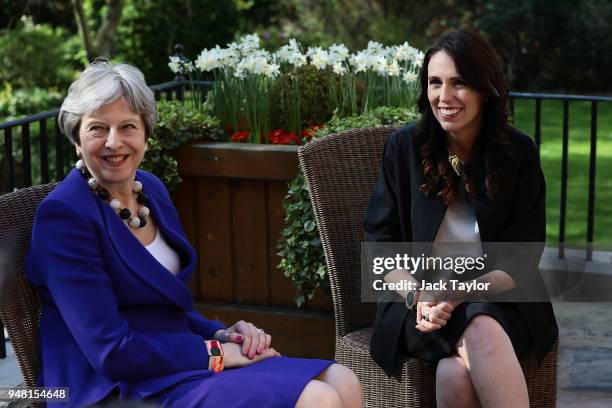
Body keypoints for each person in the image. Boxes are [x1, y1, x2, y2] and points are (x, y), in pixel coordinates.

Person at [26, 59, 362, 408]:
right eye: (97, 129)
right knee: (317, 398)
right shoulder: (64, 216)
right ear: (77, 140)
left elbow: (163, 307)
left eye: (128, 126)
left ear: (145, 134)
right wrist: (216, 353)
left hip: (174, 361)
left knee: (343, 379)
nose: (114, 142)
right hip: (110, 385)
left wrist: (222, 333)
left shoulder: (151, 190)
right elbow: (110, 351)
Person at [364, 30, 558, 408]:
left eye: (460, 83)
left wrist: (460, 292)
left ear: (485, 89)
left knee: (458, 363)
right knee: (478, 329)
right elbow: (380, 245)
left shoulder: (518, 153)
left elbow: (521, 259)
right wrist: (419, 296)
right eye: (435, 82)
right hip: (417, 305)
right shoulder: (403, 149)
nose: (444, 97)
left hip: (499, 295)